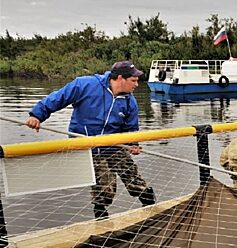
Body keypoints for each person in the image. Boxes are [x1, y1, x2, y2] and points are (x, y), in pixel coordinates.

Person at [25, 61, 155, 219]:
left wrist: (133, 145)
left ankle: (151, 204)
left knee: (132, 175)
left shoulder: (129, 101)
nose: (136, 84)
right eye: (133, 81)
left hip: (113, 144)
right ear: (120, 78)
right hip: (87, 144)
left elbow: (131, 127)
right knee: (106, 186)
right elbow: (58, 98)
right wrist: (37, 115)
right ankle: (100, 216)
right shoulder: (85, 84)